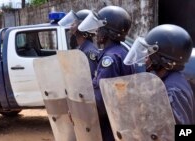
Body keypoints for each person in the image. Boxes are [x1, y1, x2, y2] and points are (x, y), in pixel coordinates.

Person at [79, 6, 135, 141]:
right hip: (122, 119)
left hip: (110, 122)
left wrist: (81, 114)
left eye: (99, 29)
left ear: (107, 32)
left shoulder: (109, 59)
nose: (97, 33)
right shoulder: (121, 52)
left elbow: (100, 99)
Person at [124, 24, 195, 124]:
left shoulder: (172, 90)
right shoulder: (164, 80)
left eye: (149, 54)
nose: (145, 58)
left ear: (160, 60)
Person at [69, 9, 99, 79]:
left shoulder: (90, 52)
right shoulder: (81, 48)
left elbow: (89, 79)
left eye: (75, 23)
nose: (71, 25)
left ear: (83, 26)